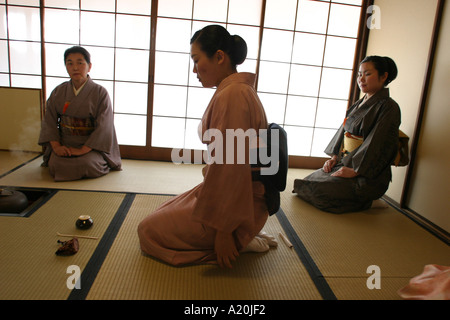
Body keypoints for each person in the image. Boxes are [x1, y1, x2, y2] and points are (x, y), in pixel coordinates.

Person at [138, 25, 276, 268]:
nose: (194, 70)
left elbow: (230, 168)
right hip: (234, 193)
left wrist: (223, 231)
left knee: (147, 231)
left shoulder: (233, 95)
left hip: (239, 204)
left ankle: (238, 239)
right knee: (163, 210)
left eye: (196, 60)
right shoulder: (235, 89)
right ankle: (239, 233)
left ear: (220, 57)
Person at [293, 56, 401, 213]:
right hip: (346, 163)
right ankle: (353, 194)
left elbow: (378, 143)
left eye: (367, 74)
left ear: (383, 76)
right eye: (359, 74)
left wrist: (356, 170)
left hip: (367, 175)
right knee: (305, 183)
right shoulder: (360, 103)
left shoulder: (389, 107)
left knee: (319, 193)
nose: (361, 79)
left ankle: (369, 202)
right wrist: (334, 158)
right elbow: (343, 132)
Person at [39, 46, 122, 181]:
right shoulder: (58, 92)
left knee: (87, 164)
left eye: (80, 63)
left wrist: (83, 149)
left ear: (89, 66)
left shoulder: (100, 93)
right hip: (65, 144)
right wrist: (57, 147)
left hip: (91, 146)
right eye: (70, 63)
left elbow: (104, 126)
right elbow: (49, 121)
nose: (75, 68)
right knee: (55, 165)